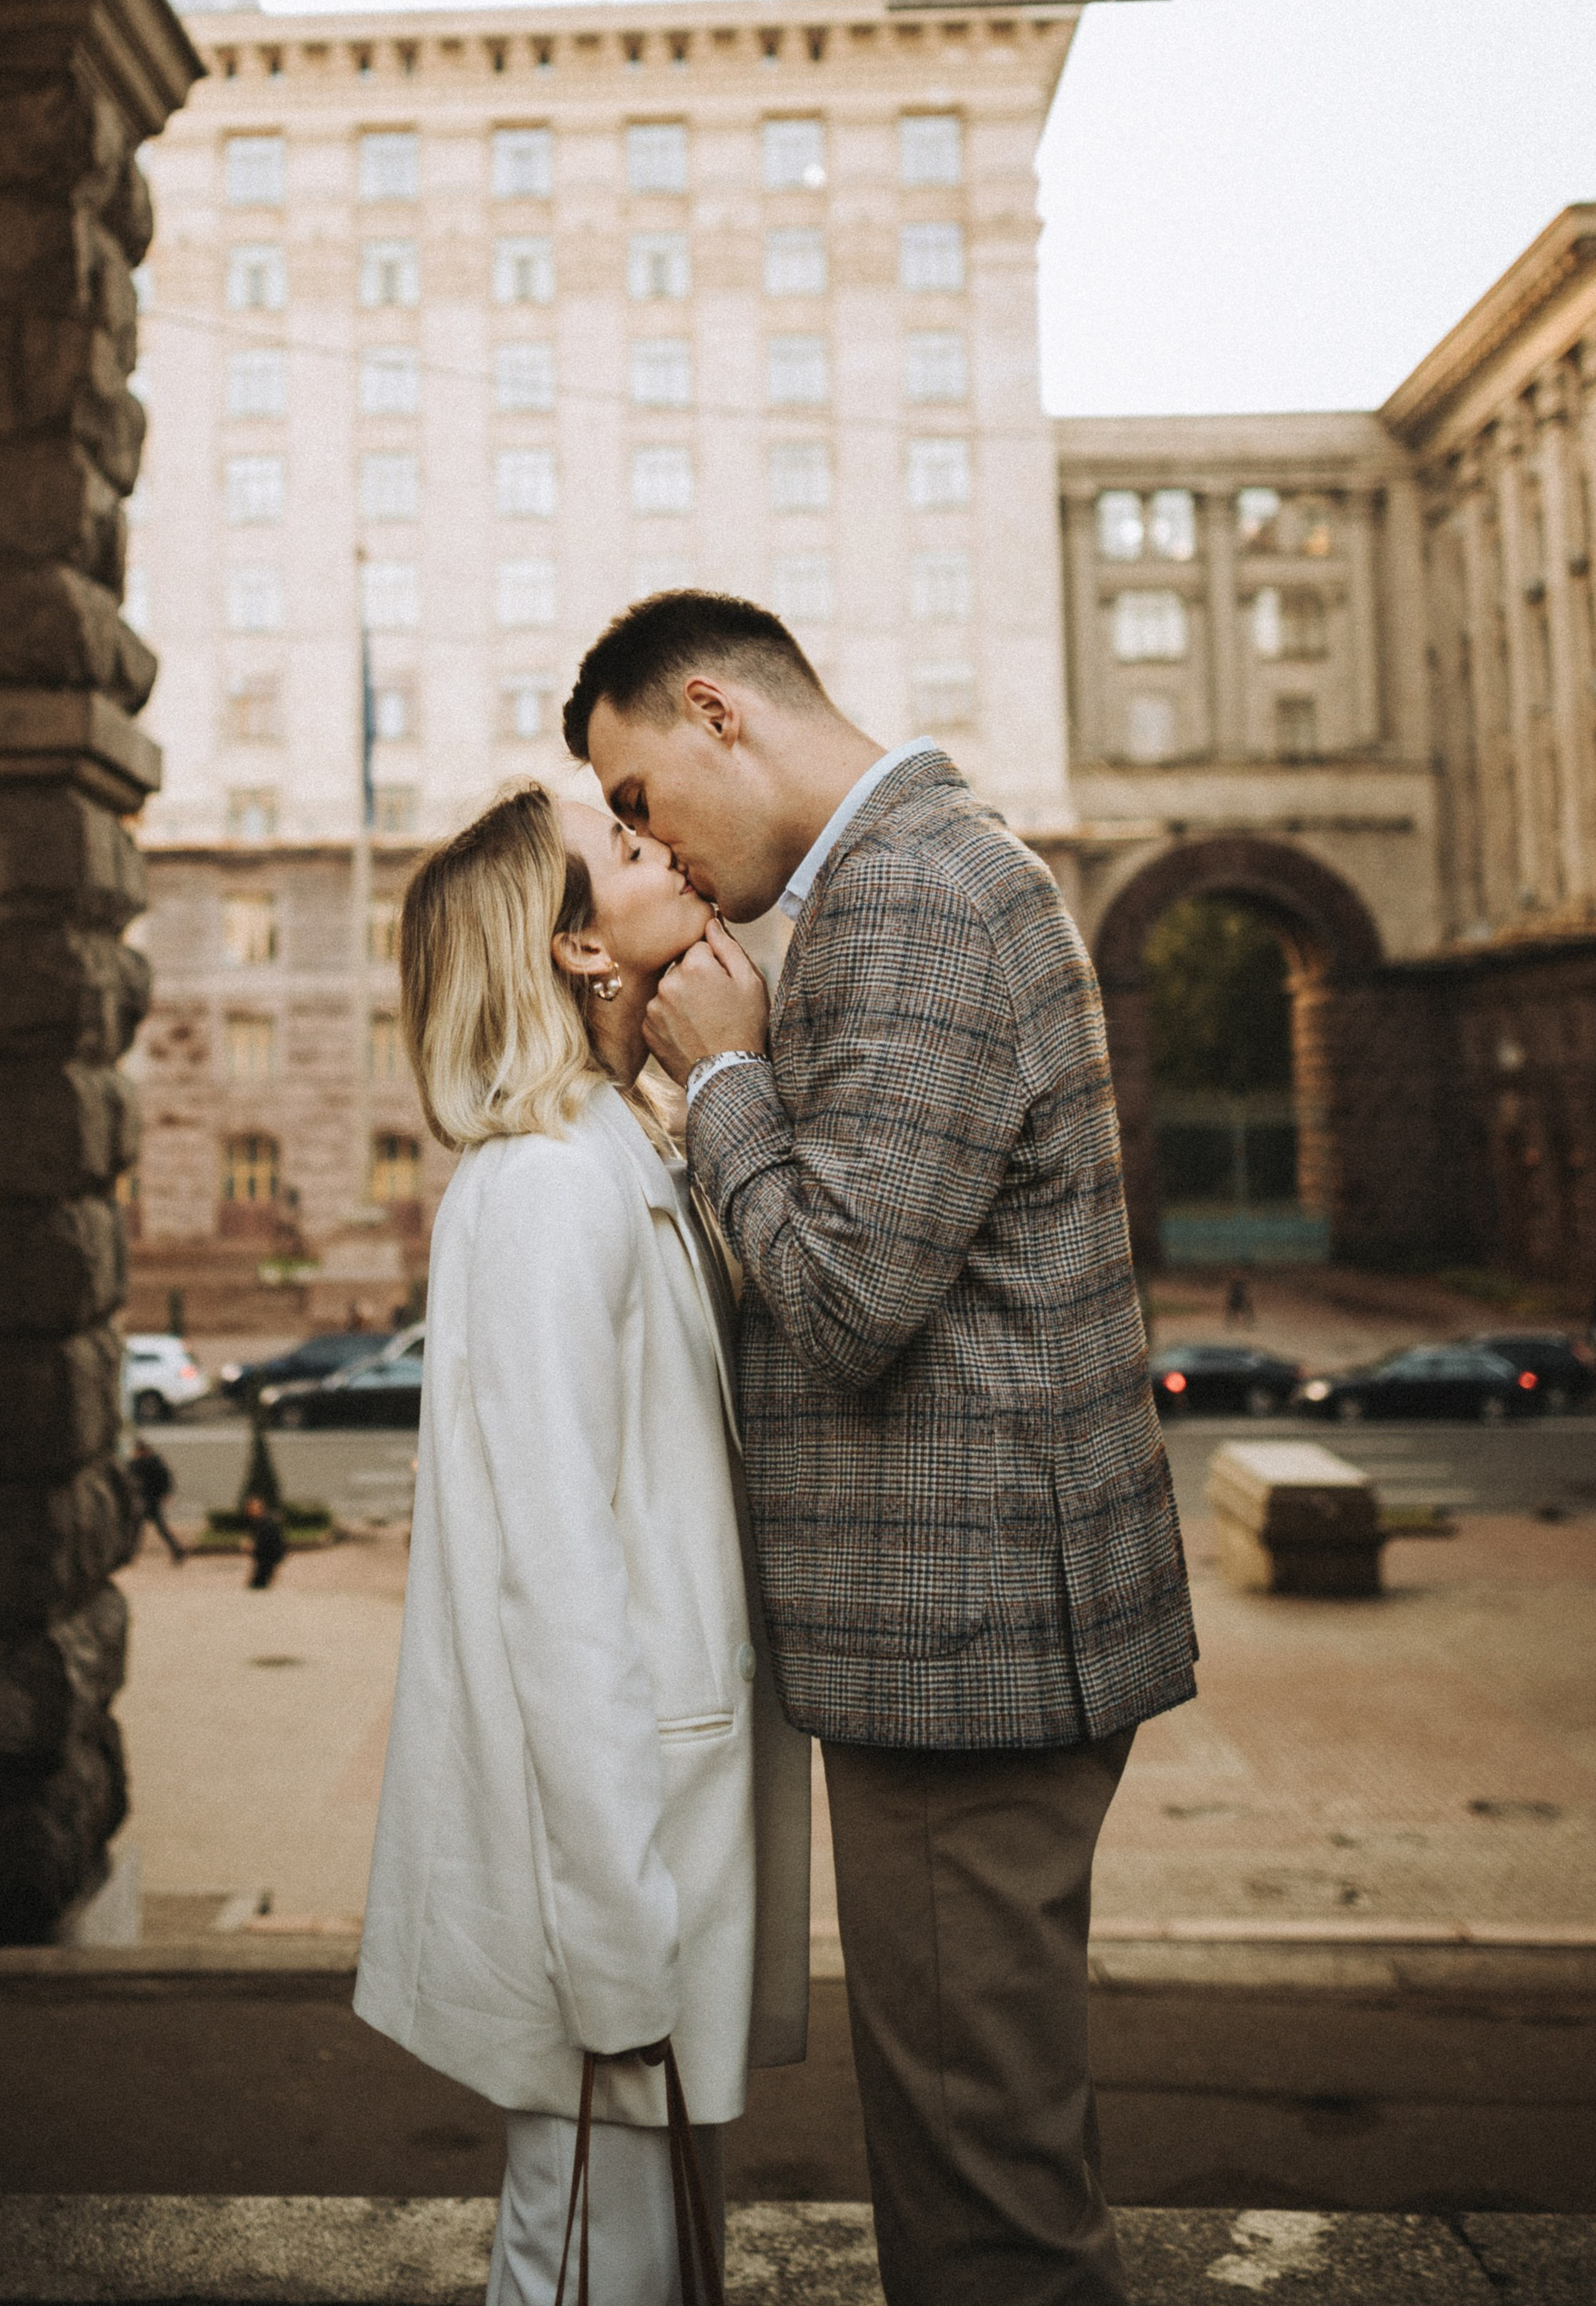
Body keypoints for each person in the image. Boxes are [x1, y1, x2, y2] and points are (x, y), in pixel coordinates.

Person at [565, 592, 1197, 2306]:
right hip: (975, 1642)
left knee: (982, 2197)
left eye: (638, 800)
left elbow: (848, 1301)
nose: (654, 852)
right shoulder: (902, 877)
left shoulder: (911, 891)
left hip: (968, 1654)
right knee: (980, 2152)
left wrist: (722, 1080)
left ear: (717, 711)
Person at [357, 783, 810, 2306]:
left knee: (652, 2258)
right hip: (611, 1866)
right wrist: (618, 1932)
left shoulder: (617, 1149)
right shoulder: (550, 1187)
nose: (663, 848)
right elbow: (551, 1579)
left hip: (656, 1832)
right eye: (621, 851)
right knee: (585, 2268)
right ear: (577, 951)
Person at [129, 1436, 185, 1564]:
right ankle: (177, 1550)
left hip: (149, 1500)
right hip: (145, 1500)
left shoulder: (150, 1463)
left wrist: (166, 1492)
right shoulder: (142, 1463)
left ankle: (177, 1550)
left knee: (142, 1529)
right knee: (139, 1529)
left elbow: (165, 1478)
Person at [242, 1491, 287, 1591]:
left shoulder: (266, 1522)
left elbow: (268, 1541)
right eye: (249, 1508)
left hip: (268, 1557)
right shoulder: (259, 1522)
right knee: (259, 1583)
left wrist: (252, 1546)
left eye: (253, 1508)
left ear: (261, 1508)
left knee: (258, 1584)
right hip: (265, 1557)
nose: (250, 1511)